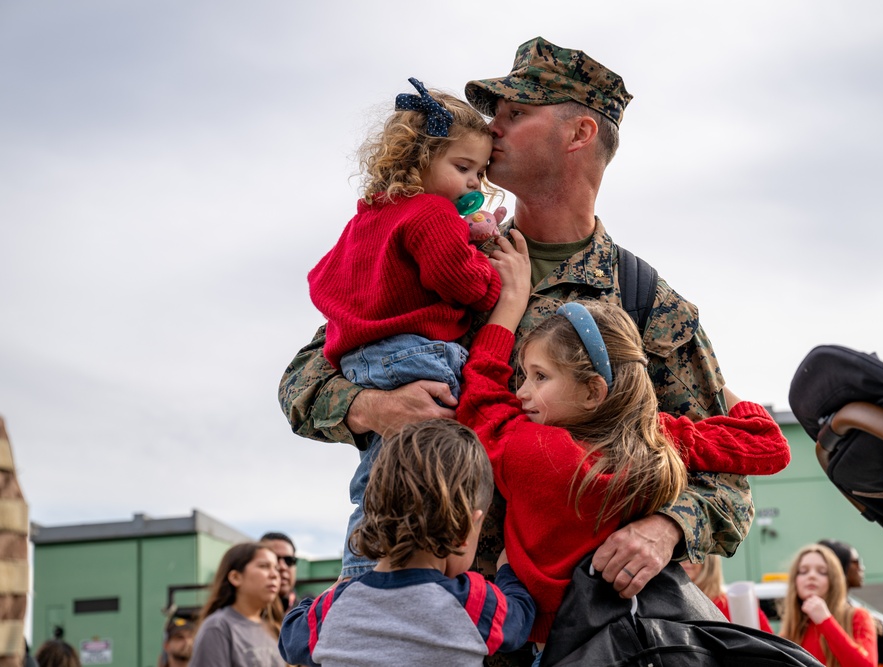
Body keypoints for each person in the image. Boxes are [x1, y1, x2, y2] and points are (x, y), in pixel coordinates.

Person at [278, 37, 752, 664]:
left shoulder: (644, 302)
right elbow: (300, 381)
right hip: (416, 620)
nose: (491, 128)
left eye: (514, 113)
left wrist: (663, 530)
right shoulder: (442, 252)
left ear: (579, 132)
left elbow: (730, 474)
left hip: (572, 633)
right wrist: (371, 407)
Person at [457, 242, 788, 648]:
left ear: (593, 391)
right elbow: (769, 444)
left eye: (539, 377)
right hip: (625, 639)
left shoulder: (533, 453)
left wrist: (508, 307)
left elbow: (481, 397)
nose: (522, 392)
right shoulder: (658, 443)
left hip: (547, 641)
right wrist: (718, 388)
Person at [307, 77, 502, 579]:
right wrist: (486, 269)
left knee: (385, 479)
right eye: (463, 168)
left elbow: (324, 279)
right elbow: (461, 282)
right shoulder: (432, 212)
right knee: (409, 479)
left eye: (480, 173)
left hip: (365, 359)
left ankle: (366, 580)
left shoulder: (368, 217)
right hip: (417, 356)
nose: (474, 185)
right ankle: (364, 584)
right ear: (419, 160)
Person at [278, 419, 535, 666]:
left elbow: (290, 639)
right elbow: (519, 620)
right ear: (465, 529)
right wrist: (507, 572)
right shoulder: (472, 602)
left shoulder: (333, 608)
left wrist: (338, 591)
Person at [780, 543, 877, 667]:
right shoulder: (793, 626)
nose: (811, 576)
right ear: (795, 580)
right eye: (803, 571)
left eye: (822, 572)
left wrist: (825, 621)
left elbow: (866, 665)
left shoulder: (858, 616)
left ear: (833, 580)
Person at [189, 542, 284, 667]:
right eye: (264, 566)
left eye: (276, 568)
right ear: (235, 577)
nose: (275, 575)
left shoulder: (274, 628)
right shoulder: (218, 627)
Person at [819, 539, 883, 667]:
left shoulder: (862, 618)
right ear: (837, 567)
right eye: (855, 562)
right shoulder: (806, 619)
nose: (861, 568)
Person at [681, 554, 773, 632]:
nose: (685, 560)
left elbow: (769, 645)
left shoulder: (734, 605)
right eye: (678, 553)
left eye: (692, 552)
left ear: (710, 560)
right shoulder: (672, 604)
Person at [259, 532, 298, 614]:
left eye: (289, 560)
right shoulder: (240, 617)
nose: (283, 567)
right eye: (275, 559)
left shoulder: (310, 615)